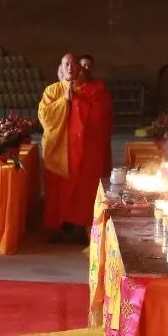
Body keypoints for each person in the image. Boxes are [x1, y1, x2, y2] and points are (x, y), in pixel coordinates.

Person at [39, 53, 113, 242]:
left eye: (73, 64)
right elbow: (44, 116)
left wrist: (78, 101)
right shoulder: (52, 91)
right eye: (66, 64)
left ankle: (81, 227)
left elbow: (100, 118)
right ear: (61, 69)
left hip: (84, 152)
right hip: (58, 153)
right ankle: (57, 226)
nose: (70, 67)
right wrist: (64, 101)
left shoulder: (91, 90)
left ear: (78, 68)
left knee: (82, 190)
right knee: (58, 191)